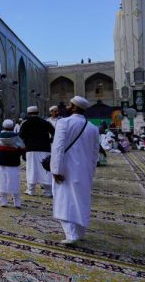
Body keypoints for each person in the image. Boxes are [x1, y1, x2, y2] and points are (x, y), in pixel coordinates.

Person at [50, 96, 100, 245]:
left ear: (73, 107)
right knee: (80, 200)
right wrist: (91, 172)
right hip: (84, 170)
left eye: (69, 104)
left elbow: (57, 148)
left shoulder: (63, 123)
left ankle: (71, 234)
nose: (67, 106)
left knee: (64, 200)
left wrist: (56, 169)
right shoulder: (92, 127)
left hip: (66, 168)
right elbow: (95, 153)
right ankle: (80, 232)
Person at [18, 105, 55, 197]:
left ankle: (31, 190)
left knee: (31, 168)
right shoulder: (45, 122)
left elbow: (21, 136)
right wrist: (49, 141)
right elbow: (54, 133)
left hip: (31, 149)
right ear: (38, 113)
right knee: (45, 168)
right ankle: (48, 191)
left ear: (28, 113)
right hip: (45, 148)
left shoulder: (25, 123)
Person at [0, 119, 26, 208]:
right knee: (14, 180)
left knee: (2, 180)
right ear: (12, 126)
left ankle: (4, 201)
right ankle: (17, 202)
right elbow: (22, 149)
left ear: (3, 126)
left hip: (1, 162)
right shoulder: (17, 137)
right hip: (14, 162)